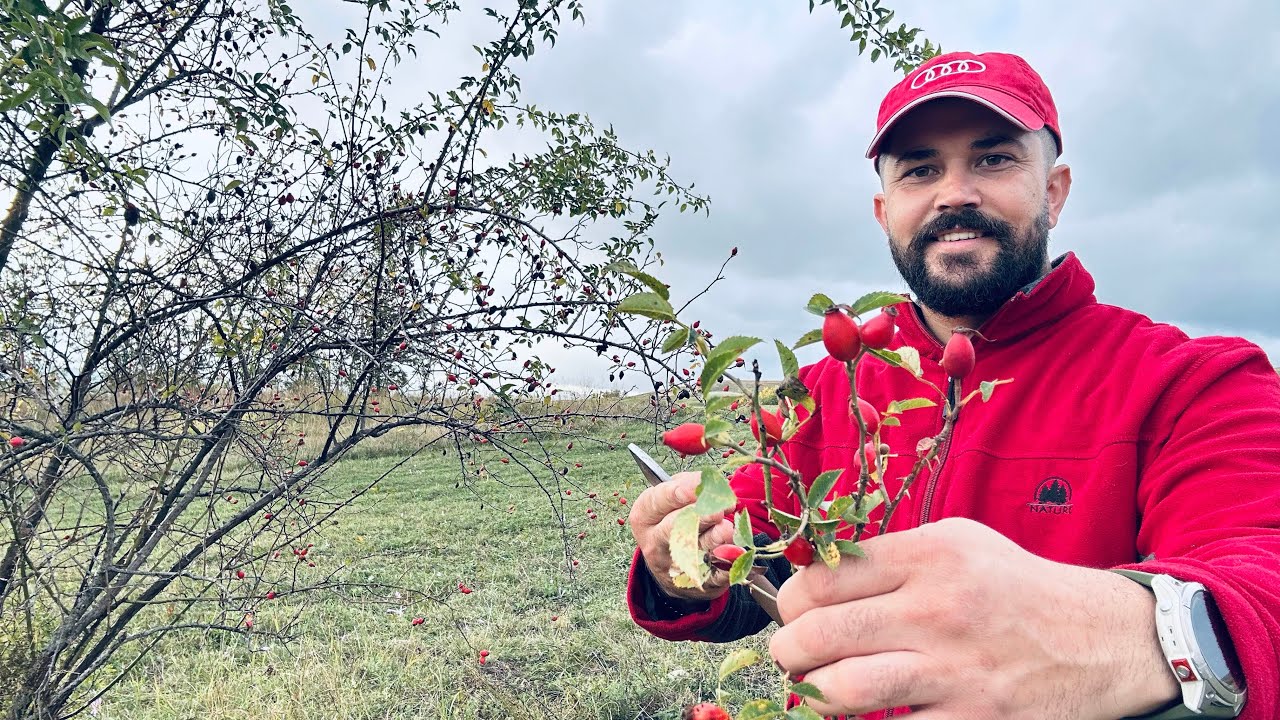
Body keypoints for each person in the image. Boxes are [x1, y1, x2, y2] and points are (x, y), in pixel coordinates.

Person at [626, 50, 1280, 720]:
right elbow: (753, 564)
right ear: (885, 211)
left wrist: (1137, 637)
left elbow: (1262, 574)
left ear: (1053, 190)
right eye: (921, 169)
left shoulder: (1192, 382)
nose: (955, 193)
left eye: (994, 159)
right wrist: (683, 567)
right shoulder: (820, 395)